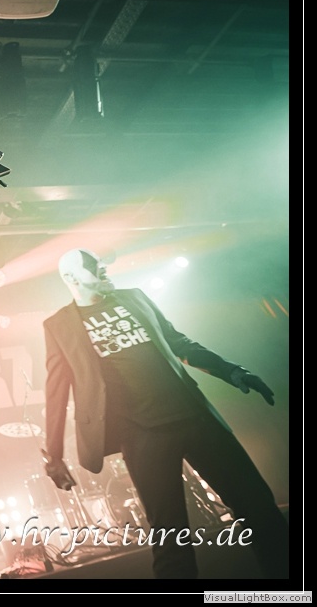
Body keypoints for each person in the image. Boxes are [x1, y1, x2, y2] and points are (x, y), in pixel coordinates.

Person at [42, 248, 289, 580]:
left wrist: (231, 371)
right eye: (93, 266)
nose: (103, 269)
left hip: (195, 417)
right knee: (171, 538)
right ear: (72, 278)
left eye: (102, 264)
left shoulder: (134, 297)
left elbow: (178, 342)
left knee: (259, 509)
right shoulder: (58, 325)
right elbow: (56, 391)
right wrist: (54, 455)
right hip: (141, 435)